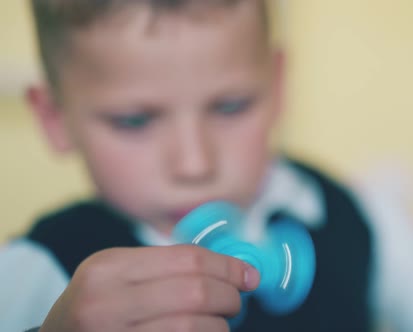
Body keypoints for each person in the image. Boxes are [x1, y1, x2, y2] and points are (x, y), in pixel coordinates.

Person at [0, 1, 372, 331]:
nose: (195, 165)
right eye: (134, 121)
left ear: (276, 85)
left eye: (231, 106)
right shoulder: (33, 272)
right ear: (55, 117)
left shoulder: (350, 213)